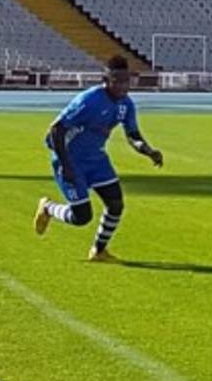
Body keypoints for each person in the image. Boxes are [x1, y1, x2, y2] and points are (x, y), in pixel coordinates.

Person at [33, 56, 163, 261]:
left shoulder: (126, 105)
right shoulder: (89, 100)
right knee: (81, 217)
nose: (122, 86)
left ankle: (98, 250)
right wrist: (66, 165)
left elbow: (133, 135)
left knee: (116, 205)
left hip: (97, 161)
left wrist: (148, 151)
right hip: (70, 160)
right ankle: (48, 208)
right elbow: (56, 129)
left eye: (126, 81)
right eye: (116, 81)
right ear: (106, 80)